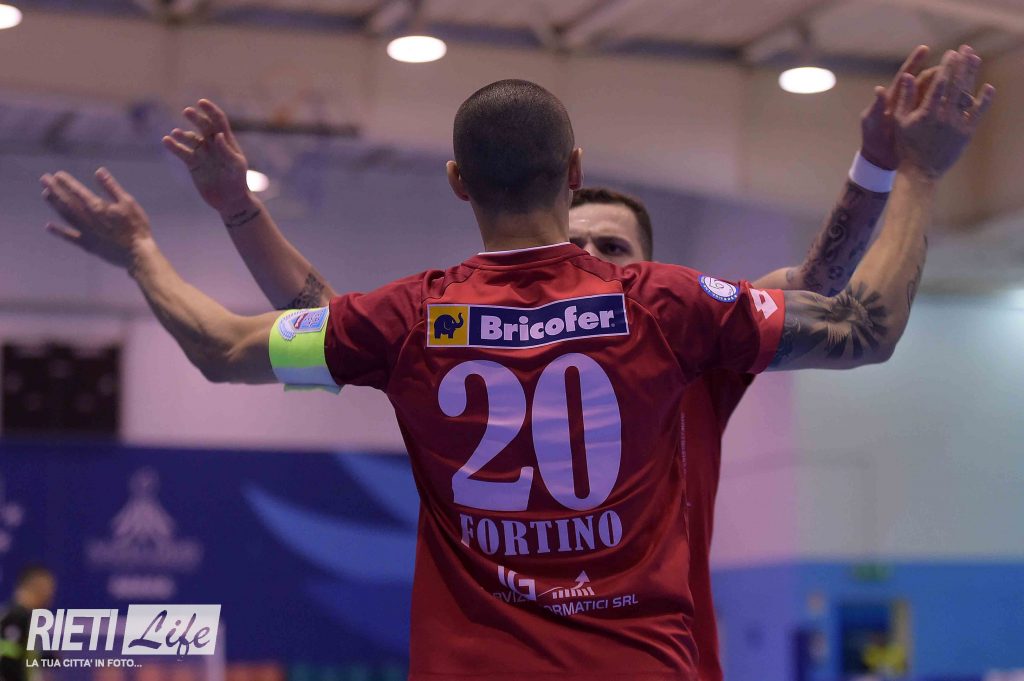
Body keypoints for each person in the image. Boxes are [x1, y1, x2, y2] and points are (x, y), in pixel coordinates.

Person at [39, 46, 991, 679]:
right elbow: (859, 323)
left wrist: (145, 253)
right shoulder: (669, 307)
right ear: (571, 171)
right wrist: (918, 173)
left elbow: (230, 344)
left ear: (458, 182)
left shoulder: (413, 319)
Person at [0, 565, 56, 681]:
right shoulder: (15, 618)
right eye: (48, 590)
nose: (50, 597)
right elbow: (7, 659)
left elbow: (20, 656)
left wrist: (43, 659)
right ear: (37, 588)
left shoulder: (25, 618)